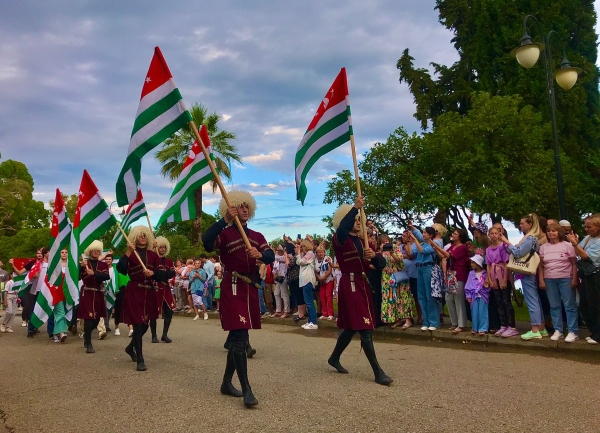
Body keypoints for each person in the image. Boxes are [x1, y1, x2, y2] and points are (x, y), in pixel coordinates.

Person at [202, 190, 274, 408]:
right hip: (232, 286)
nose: (243, 209)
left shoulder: (257, 236)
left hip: (250, 287)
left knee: (236, 338)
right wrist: (223, 221)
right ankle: (247, 391)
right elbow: (206, 242)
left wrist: (260, 256)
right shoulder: (224, 234)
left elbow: (270, 255)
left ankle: (226, 383)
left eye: (246, 206)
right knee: (241, 338)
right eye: (239, 206)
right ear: (230, 209)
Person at [327, 196, 391, 386]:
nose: (357, 222)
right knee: (365, 328)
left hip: (363, 284)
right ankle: (378, 372)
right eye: (354, 219)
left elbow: (380, 264)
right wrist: (355, 207)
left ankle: (334, 358)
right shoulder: (339, 239)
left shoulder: (364, 242)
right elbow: (343, 226)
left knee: (352, 327)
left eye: (358, 219)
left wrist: (375, 256)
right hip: (350, 283)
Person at [117, 226, 161, 371]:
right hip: (134, 290)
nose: (143, 237)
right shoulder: (130, 254)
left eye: (145, 235)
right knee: (137, 324)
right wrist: (128, 252)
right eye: (140, 235)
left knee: (145, 325)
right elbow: (121, 269)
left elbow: (162, 273)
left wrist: (153, 274)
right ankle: (140, 360)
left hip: (149, 292)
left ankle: (130, 348)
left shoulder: (153, 254)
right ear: (135, 237)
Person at [500, 213, 547, 340]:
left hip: (527, 273)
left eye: (522, 223)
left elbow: (518, 253)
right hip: (528, 272)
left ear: (530, 224)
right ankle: (541, 328)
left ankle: (535, 329)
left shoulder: (530, 238)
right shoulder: (532, 238)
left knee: (532, 301)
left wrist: (506, 242)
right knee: (535, 300)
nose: (520, 226)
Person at [538, 222, 578, 342]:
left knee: (569, 305)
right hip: (549, 279)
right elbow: (541, 266)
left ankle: (573, 331)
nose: (551, 233)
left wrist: (574, 278)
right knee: (554, 305)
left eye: (554, 231)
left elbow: (574, 263)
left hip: (565, 278)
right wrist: (541, 279)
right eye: (549, 231)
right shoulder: (543, 247)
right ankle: (558, 329)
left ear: (559, 232)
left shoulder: (567, 245)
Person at [568, 214, 600, 344]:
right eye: (585, 226)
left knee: (595, 304)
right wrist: (576, 244)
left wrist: (575, 244)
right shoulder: (587, 238)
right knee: (584, 304)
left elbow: (586, 256)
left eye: (589, 226)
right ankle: (594, 331)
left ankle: (598, 334)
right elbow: (577, 252)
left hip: (596, 275)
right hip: (586, 274)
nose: (586, 229)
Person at [486, 227, 518, 337]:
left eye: (496, 233)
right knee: (499, 302)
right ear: (489, 235)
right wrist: (490, 279)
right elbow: (489, 265)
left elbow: (506, 263)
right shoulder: (488, 249)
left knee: (506, 302)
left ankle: (512, 326)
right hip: (494, 276)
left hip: (503, 274)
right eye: (492, 233)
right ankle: (503, 325)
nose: (494, 235)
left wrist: (505, 280)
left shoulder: (503, 247)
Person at [78, 241, 110, 353]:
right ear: (89, 251)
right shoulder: (84, 263)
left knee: (96, 319)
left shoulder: (103, 264)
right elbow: (76, 277)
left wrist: (94, 273)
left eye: (98, 250)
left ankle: (87, 336)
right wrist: (79, 267)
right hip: (87, 293)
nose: (96, 252)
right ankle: (89, 343)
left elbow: (106, 276)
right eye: (94, 250)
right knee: (89, 318)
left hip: (98, 293)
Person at [407, 227, 441, 331]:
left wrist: (415, 239)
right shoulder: (421, 244)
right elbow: (411, 254)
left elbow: (422, 251)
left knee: (429, 296)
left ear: (430, 235)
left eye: (425, 233)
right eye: (423, 232)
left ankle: (433, 322)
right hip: (419, 269)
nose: (423, 234)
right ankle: (426, 321)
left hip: (428, 268)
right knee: (421, 296)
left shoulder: (433, 244)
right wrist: (408, 242)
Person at [380, 235, 415, 329]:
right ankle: (397, 319)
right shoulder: (381, 251)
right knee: (392, 299)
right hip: (387, 277)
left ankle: (408, 320)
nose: (386, 243)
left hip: (398, 276)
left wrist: (391, 253)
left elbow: (400, 261)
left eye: (387, 241)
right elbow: (379, 263)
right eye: (383, 242)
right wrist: (380, 251)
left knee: (403, 297)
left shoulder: (395, 247)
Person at [444, 229, 470, 334]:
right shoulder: (452, 246)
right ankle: (454, 322)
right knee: (448, 298)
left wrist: (433, 244)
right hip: (451, 275)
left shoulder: (462, 247)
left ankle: (462, 324)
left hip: (459, 274)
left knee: (458, 299)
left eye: (455, 234)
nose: (453, 235)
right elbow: (444, 255)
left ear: (460, 236)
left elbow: (449, 255)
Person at [150, 236, 176, 342]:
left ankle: (164, 335)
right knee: (153, 313)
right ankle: (154, 336)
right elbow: (153, 274)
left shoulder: (169, 262)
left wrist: (163, 274)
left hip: (165, 287)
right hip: (155, 287)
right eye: (160, 247)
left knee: (169, 311)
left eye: (164, 247)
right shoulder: (152, 260)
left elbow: (172, 273)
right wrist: (160, 274)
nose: (162, 249)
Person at [464, 255, 490, 336]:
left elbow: (488, 285)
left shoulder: (485, 273)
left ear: (479, 263)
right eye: (471, 262)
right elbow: (468, 285)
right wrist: (468, 295)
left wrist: (486, 287)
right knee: (474, 312)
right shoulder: (471, 273)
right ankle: (474, 328)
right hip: (473, 296)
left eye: (473, 262)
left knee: (483, 312)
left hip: (483, 296)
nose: (472, 264)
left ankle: (483, 328)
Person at [296, 239, 318, 329]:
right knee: (307, 301)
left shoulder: (310, 253)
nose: (301, 249)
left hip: (307, 280)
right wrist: (300, 253)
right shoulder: (306, 254)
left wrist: (298, 253)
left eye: (302, 246)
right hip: (304, 280)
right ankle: (310, 321)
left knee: (309, 302)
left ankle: (314, 322)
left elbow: (300, 262)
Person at [315, 246, 334, 320]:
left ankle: (330, 313)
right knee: (322, 296)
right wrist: (319, 278)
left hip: (329, 279)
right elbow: (315, 270)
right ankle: (324, 313)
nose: (320, 253)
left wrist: (323, 277)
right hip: (321, 281)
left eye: (322, 252)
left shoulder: (328, 258)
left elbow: (330, 269)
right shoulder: (315, 260)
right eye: (319, 252)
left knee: (328, 296)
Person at [272, 245, 290, 318]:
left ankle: (286, 311)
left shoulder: (286, 256)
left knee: (284, 294)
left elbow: (276, 257)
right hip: (278, 278)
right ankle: (278, 310)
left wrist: (273, 252)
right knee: (276, 293)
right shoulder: (278, 260)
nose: (278, 251)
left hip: (283, 278)